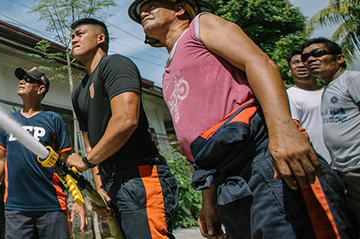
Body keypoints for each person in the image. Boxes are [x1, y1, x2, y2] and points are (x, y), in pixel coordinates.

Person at [128, 1, 358, 238]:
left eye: (151, 5)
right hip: (225, 178)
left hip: (260, 157)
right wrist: (208, 200)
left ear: (180, 8)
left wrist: (285, 132)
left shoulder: (201, 26)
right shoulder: (167, 74)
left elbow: (259, 62)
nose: (143, 12)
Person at [63, 18, 179, 239]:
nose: (74, 39)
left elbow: (126, 120)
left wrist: (86, 162)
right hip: (113, 182)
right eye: (72, 36)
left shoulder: (115, 65)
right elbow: (90, 143)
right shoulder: (79, 92)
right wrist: (100, 190)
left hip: (140, 177)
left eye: (79, 33)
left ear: (100, 38)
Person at [0, 67, 86, 238]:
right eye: (21, 79)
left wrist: (78, 200)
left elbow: (66, 162)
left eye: (28, 80)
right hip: (16, 207)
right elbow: (0, 159)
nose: (21, 82)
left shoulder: (53, 120)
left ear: (40, 88)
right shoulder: (9, 121)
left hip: (51, 205)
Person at [302, 37, 360, 219]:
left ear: (340, 59)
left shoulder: (352, 80)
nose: (310, 60)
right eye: (306, 58)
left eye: (317, 53)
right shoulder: (328, 88)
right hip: (344, 170)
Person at [285, 49, 331, 163]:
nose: (300, 65)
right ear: (290, 70)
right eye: (295, 62)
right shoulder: (288, 96)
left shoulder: (330, 91)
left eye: (304, 61)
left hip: (344, 161)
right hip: (315, 161)